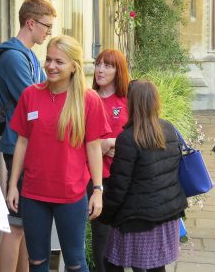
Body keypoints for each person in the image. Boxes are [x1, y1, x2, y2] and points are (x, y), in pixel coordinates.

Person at [6, 35, 111, 272]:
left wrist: (97, 190)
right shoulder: (30, 95)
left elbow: (94, 148)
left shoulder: (89, 100)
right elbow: (21, 142)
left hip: (71, 195)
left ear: (74, 66)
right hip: (33, 193)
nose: (51, 66)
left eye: (59, 62)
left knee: (75, 263)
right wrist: (13, 185)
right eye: (49, 59)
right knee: (37, 262)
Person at [0, 0, 57, 272]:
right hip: (17, 145)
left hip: (32, 144)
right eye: (46, 26)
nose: (49, 32)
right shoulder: (12, 58)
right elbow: (35, 102)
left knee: (26, 223)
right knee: (15, 223)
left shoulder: (28, 55)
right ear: (30, 23)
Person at [99, 80, 188, 272]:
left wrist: (104, 216)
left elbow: (118, 187)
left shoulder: (128, 138)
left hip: (137, 218)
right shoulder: (168, 129)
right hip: (167, 214)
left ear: (132, 104)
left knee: (112, 263)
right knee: (155, 267)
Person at [89, 49, 129, 272]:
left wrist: (114, 142)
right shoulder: (88, 98)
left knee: (122, 232)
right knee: (101, 233)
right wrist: (103, 146)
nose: (100, 70)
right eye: (98, 64)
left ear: (119, 70)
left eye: (108, 65)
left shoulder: (127, 100)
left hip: (122, 176)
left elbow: (137, 136)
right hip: (96, 178)